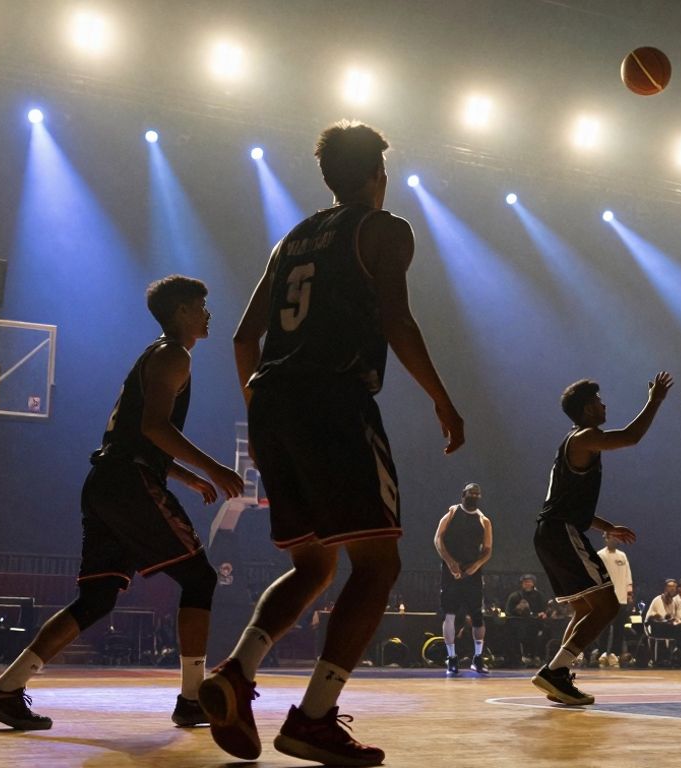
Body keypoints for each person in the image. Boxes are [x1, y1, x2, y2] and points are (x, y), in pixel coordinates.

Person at [202, 121, 464, 765]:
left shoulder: (290, 240)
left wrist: (262, 414)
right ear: (380, 172)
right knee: (378, 566)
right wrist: (442, 397)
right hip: (332, 400)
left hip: (272, 406)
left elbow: (242, 339)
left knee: (314, 565)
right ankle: (313, 718)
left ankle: (237, 670)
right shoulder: (384, 228)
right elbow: (397, 319)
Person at [0, 276, 245, 731]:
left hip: (108, 480)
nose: (207, 313)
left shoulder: (155, 356)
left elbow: (136, 436)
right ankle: (192, 699)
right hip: (127, 482)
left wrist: (188, 477)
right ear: (180, 311)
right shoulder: (173, 355)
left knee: (96, 599)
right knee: (199, 578)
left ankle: (4, 689)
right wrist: (215, 469)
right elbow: (156, 430)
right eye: (200, 305)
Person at [530, 373, 672, 705]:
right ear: (587, 409)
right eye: (599, 401)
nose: (604, 404)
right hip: (560, 531)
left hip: (552, 531)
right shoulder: (584, 438)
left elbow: (571, 503)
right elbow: (631, 437)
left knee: (584, 610)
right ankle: (555, 672)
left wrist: (607, 526)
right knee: (608, 606)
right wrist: (655, 400)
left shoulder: (574, 442)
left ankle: (559, 675)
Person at [433, 483, 493, 675]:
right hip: (451, 571)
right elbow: (438, 539)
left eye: (477, 494)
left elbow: (488, 549)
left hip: (472, 572)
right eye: (470, 493)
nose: (473, 496)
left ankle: (478, 657)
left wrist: (476, 565)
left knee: (477, 615)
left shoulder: (484, 521)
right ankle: (451, 658)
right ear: (463, 495)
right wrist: (450, 562)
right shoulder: (452, 513)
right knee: (449, 614)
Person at [596, 532, 634, 667]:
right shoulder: (600, 555)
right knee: (604, 627)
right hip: (606, 597)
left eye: (616, 537)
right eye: (612, 537)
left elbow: (627, 574)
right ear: (606, 538)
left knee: (619, 628)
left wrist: (629, 593)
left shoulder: (622, 555)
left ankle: (615, 654)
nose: (615, 539)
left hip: (621, 598)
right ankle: (602, 653)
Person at [505, 575, 550, 667]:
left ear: (533, 583)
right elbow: (508, 612)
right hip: (518, 624)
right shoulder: (515, 596)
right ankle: (520, 658)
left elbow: (545, 609)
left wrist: (543, 614)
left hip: (536, 624)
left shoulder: (539, 595)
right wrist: (518, 612)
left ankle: (537, 657)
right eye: (525, 582)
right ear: (522, 584)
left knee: (542, 634)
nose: (527, 584)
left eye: (529, 582)